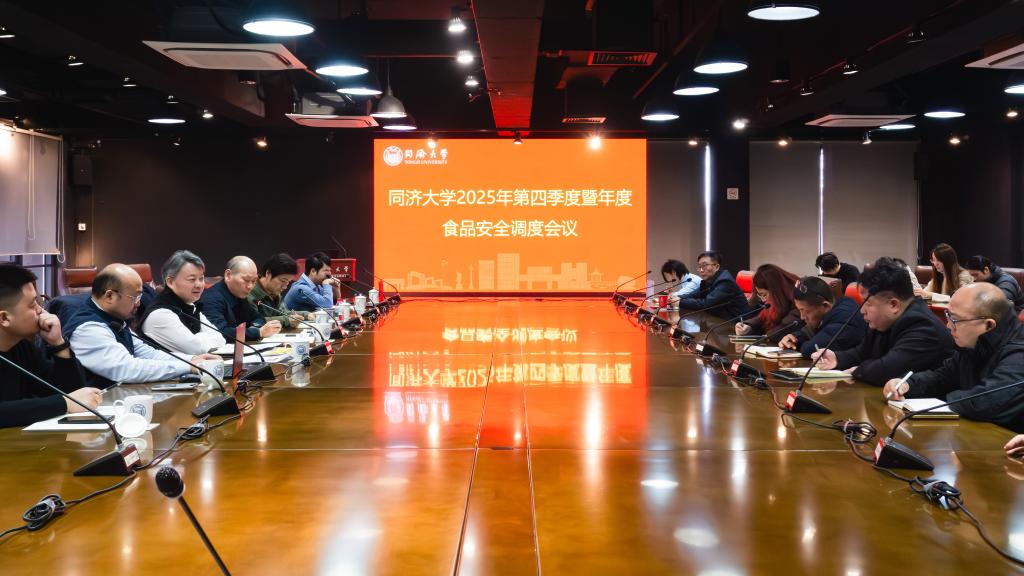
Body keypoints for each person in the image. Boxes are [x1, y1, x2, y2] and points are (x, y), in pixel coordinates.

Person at [884, 283, 1024, 431]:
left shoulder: (1019, 353)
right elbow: (943, 377)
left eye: (955, 319)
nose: (948, 326)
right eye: (948, 316)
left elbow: (985, 403)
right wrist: (907, 385)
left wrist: (946, 400)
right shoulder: (977, 342)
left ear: (988, 325)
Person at [64, 264, 221, 388]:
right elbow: (127, 369)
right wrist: (188, 367)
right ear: (110, 296)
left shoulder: (113, 318)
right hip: (99, 408)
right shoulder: (88, 328)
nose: (139, 303)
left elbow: (147, 353)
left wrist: (192, 360)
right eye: (135, 297)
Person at [811, 258, 954, 386]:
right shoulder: (884, 320)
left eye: (868, 303)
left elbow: (887, 370)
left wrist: (858, 370)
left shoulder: (924, 327)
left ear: (893, 305)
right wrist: (837, 358)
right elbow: (863, 352)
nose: (862, 311)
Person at [0, 264, 100, 428]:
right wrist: (64, 403)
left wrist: (58, 344)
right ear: (4, 318)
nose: (40, 310)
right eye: (32, 305)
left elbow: (73, 393)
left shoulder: (22, 346)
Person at [140, 250, 226, 355]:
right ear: (170, 282)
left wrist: (197, 339)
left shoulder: (188, 304)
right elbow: (196, 349)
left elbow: (220, 339)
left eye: (201, 278)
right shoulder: (160, 314)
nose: (199, 285)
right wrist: (202, 338)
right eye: (192, 279)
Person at [779, 276, 867, 358]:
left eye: (805, 311)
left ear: (825, 306)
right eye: (799, 310)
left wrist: (797, 345)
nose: (802, 317)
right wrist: (794, 339)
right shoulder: (832, 309)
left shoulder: (846, 318)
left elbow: (810, 350)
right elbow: (809, 333)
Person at [200, 256, 282, 343]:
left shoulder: (239, 295)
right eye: (246, 280)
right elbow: (220, 333)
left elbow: (258, 318)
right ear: (228, 275)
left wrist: (254, 328)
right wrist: (258, 332)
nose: (250, 286)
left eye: (253, 281)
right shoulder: (211, 299)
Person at [735, 264, 801, 342]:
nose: (763, 300)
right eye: (760, 295)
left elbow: (787, 325)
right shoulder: (777, 298)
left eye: (764, 295)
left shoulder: (798, 296)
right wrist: (748, 326)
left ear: (775, 290)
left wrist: (767, 336)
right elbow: (764, 317)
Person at [676, 251, 749, 319]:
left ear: (717, 267)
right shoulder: (709, 280)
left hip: (737, 322)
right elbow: (694, 294)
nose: (701, 270)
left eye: (705, 265)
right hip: (718, 318)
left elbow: (705, 304)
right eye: (699, 266)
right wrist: (677, 298)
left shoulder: (725, 281)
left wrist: (679, 302)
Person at [248, 253, 311, 328]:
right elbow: (254, 322)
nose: (285, 287)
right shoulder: (249, 291)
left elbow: (283, 313)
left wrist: (306, 315)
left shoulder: (274, 292)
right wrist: (286, 320)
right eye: (283, 281)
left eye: (288, 282)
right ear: (268, 273)